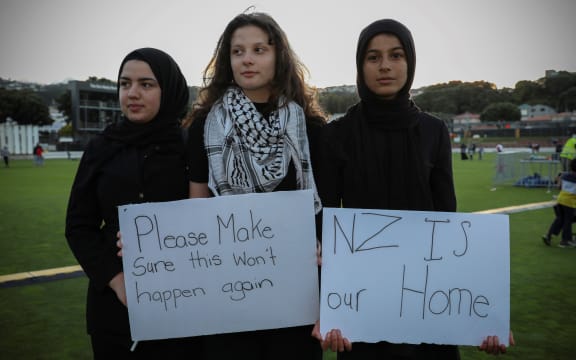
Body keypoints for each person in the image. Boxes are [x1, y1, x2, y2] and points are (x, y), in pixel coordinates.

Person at [312, 19, 514, 358]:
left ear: (411, 62)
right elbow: (326, 227)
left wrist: (485, 317)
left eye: (396, 55)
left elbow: (448, 225)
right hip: (364, 304)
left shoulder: (434, 131)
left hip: (428, 305)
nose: (385, 66)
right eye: (373, 57)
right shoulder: (337, 134)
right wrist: (327, 311)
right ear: (361, 65)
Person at [184, 11, 325, 360]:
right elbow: (197, 207)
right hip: (229, 293)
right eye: (237, 51)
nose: (247, 58)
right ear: (227, 60)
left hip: (295, 294)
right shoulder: (205, 123)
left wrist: (325, 247)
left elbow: (323, 207)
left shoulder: (309, 125)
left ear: (279, 57)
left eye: (259, 49)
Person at [65, 48, 203, 358]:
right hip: (114, 311)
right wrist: (117, 281)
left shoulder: (190, 146)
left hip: (184, 305)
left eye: (146, 84)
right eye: (125, 84)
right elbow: (78, 225)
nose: (133, 93)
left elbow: (209, 218)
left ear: (168, 90)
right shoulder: (100, 148)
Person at [542, 158, 576, 248]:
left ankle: (548, 235)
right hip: (570, 203)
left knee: (559, 219)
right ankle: (565, 241)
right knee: (567, 221)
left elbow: (559, 187)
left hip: (560, 200)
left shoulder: (565, 176)